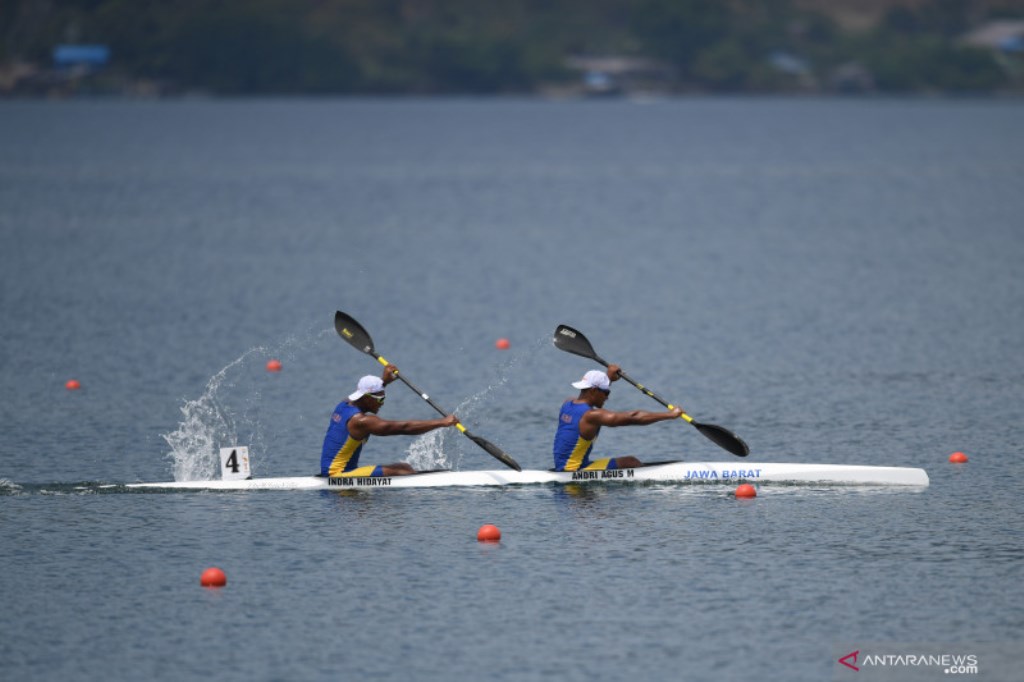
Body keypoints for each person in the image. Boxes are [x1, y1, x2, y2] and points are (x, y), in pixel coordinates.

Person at [321, 365, 458, 477]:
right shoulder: (361, 421)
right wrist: (442, 422)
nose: (382, 403)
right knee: (402, 472)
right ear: (367, 398)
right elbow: (403, 428)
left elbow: (369, 393)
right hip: (337, 475)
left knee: (404, 467)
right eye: (381, 399)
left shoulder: (344, 404)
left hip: (336, 470)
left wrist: (383, 382)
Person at [553, 367, 683, 472]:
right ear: (593, 391)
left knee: (629, 462)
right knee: (631, 462)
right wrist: (670, 415)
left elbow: (593, 391)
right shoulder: (592, 416)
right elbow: (634, 417)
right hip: (573, 471)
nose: (607, 397)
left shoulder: (567, 403)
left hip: (565, 466)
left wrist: (607, 378)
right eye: (606, 392)